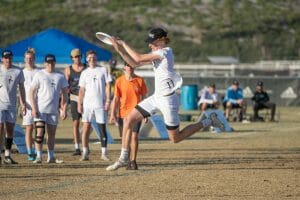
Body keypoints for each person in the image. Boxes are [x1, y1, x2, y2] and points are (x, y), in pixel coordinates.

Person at [106, 27, 225, 171]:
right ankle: (124, 157)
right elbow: (134, 63)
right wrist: (118, 49)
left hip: (168, 101)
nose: (150, 45)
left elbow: (137, 58)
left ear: (161, 40)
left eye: (152, 42)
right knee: (128, 119)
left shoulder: (165, 52)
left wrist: (123, 43)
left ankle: (208, 120)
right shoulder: (156, 52)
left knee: (175, 138)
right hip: (157, 97)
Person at [30, 54, 68, 164]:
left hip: (53, 110)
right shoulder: (39, 74)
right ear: (45, 63)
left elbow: (65, 93)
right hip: (40, 110)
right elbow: (32, 92)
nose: (50, 65)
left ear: (55, 63)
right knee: (40, 132)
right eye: (48, 63)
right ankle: (38, 156)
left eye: (52, 62)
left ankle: (51, 156)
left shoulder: (60, 76)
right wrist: (34, 108)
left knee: (51, 133)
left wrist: (64, 108)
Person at [109, 62, 147, 170]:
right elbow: (116, 99)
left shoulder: (140, 80)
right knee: (125, 137)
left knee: (134, 136)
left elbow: (144, 98)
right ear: (124, 67)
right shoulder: (119, 81)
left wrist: (145, 114)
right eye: (128, 65)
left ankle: (133, 161)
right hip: (123, 113)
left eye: (132, 65)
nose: (130, 67)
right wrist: (112, 114)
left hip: (136, 112)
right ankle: (125, 159)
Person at [78, 50, 112, 161]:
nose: (92, 59)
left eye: (94, 57)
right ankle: (85, 152)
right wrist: (80, 103)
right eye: (89, 57)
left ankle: (104, 153)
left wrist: (107, 101)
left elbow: (108, 86)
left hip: (100, 104)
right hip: (87, 105)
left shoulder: (102, 70)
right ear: (86, 59)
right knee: (85, 128)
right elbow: (82, 90)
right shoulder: (84, 72)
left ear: (96, 58)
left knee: (102, 128)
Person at [0, 50, 26, 165]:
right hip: (0, 104)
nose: (8, 60)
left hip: (11, 105)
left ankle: (7, 155)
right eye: (6, 58)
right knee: (0, 128)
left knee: (10, 129)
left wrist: (23, 103)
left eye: (9, 58)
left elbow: (21, 88)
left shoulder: (18, 71)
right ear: (2, 59)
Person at [64, 48, 86, 156]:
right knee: (75, 123)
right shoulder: (68, 69)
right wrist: (63, 102)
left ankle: (85, 146)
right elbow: (65, 85)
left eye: (79, 56)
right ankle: (77, 147)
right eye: (75, 57)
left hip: (86, 98)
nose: (77, 58)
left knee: (87, 123)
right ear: (71, 58)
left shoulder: (86, 68)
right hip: (74, 97)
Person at [22, 48, 40, 161]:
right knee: (29, 128)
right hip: (27, 105)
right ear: (25, 59)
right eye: (27, 58)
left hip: (39, 104)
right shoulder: (22, 72)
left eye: (31, 58)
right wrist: (22, 104)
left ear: (34, 59)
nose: (29, 60)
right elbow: (21, 90)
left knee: (39, 129)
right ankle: (30, 152)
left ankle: (38, 151)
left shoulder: (39, 72)